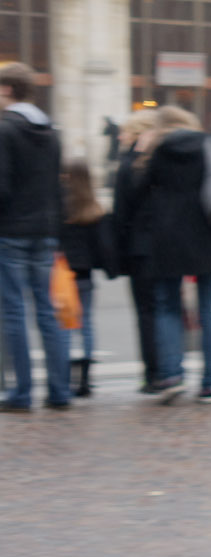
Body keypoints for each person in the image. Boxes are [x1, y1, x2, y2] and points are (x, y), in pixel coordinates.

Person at [122, 106, 211, 404]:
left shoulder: (158, 150)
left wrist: (140, 154)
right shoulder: (209, 144)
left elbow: (136, 193)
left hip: (169, 235)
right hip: (208, 233)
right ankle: (209, 383)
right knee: (206, 308)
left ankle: (173, 375)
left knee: (167, 305)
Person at [0, 62, 69, 412]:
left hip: (11, 231)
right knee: (47, 311)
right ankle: (59, 391)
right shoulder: (51, 130)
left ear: (8, 90)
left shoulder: (5, 130)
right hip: (44, 231)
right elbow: (57, 186)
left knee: (13, 312)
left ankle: (22, 392)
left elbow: (2, 186)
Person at [111, 109, 162, 392]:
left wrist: (118, 253)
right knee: (166, 309)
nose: (120, 136)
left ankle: (152, 374)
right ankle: (169, 370)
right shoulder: (164, 161)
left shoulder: (130, 164)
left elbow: (122, 212)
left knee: (146, 311)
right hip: (166, 245)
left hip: (140, 248)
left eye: (125, 130)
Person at [59, 158, 115, 398]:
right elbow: (102, 246)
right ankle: (85, 379)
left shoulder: (61, 207)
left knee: (64, 325)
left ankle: (64, 377)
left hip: (62, 275)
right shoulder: (92, 208)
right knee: (87, 324)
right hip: (85, 274)